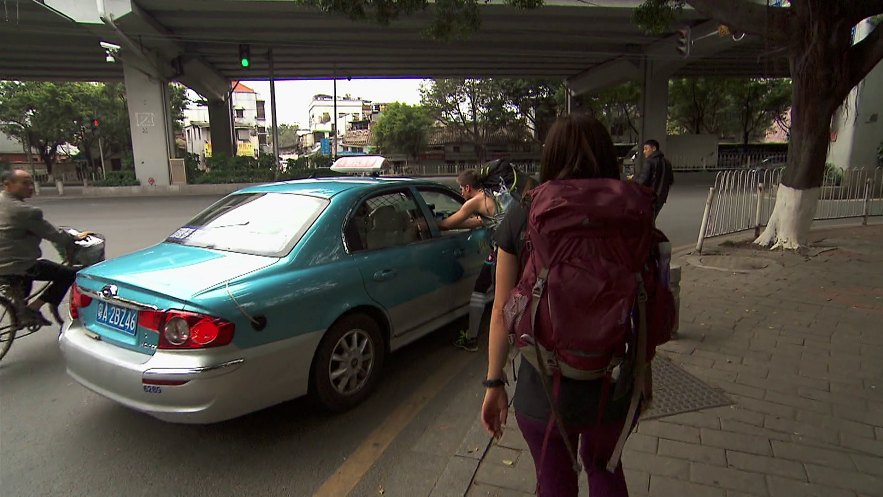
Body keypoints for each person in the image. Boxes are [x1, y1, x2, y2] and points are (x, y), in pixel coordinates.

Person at [481, 114, 637, 497]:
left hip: (542, 388)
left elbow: (503, 308)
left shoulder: (524, 212)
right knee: (606, 470)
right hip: (611, 383)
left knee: (554, 484)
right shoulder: (630, 214)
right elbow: (645, 299)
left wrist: (494, 382)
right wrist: (643, 373)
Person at [0, 169, 85, 326]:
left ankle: (21, 309)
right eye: (25, 183)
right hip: (16, 266)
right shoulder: (25, 211)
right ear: (8, 185)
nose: (30, 187)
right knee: (69, 274)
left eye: (31, 183)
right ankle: (32, 309)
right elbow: (53, 235)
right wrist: (72, 241)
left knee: (22, 291)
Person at [438, 169, 497, 352]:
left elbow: (448, 224)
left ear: (468, 187)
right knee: (485, 289)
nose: (461, 192)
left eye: (461, 189)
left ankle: (474, 339)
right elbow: (479, 221)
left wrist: (431, 224)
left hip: (502, 250)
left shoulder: (474, 201)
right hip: (509, 247)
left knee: (490, 294)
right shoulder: (489, 196)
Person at [634, 139, 674, 219]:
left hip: (650, 196)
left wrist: (634, 179)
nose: (644, 151)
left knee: (646, 220)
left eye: (646, 148)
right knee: (651, 218)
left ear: (654, 149)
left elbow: (642, 181)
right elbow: (671, 180)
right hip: (661, 197)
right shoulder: (667, 162)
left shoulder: (649, 162)